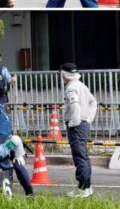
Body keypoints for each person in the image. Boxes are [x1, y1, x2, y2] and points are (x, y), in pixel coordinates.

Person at [61, 62, 98, 198]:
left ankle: (83, 188)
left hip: (77, 126)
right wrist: (89, 118)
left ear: (65, 74)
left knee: (79, 157)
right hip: (84, 124)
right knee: (84, 156)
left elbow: (74, 105)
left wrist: (73, 122)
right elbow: (93, 102)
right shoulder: (82, 85)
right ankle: (86, 187)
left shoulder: (71, 88)